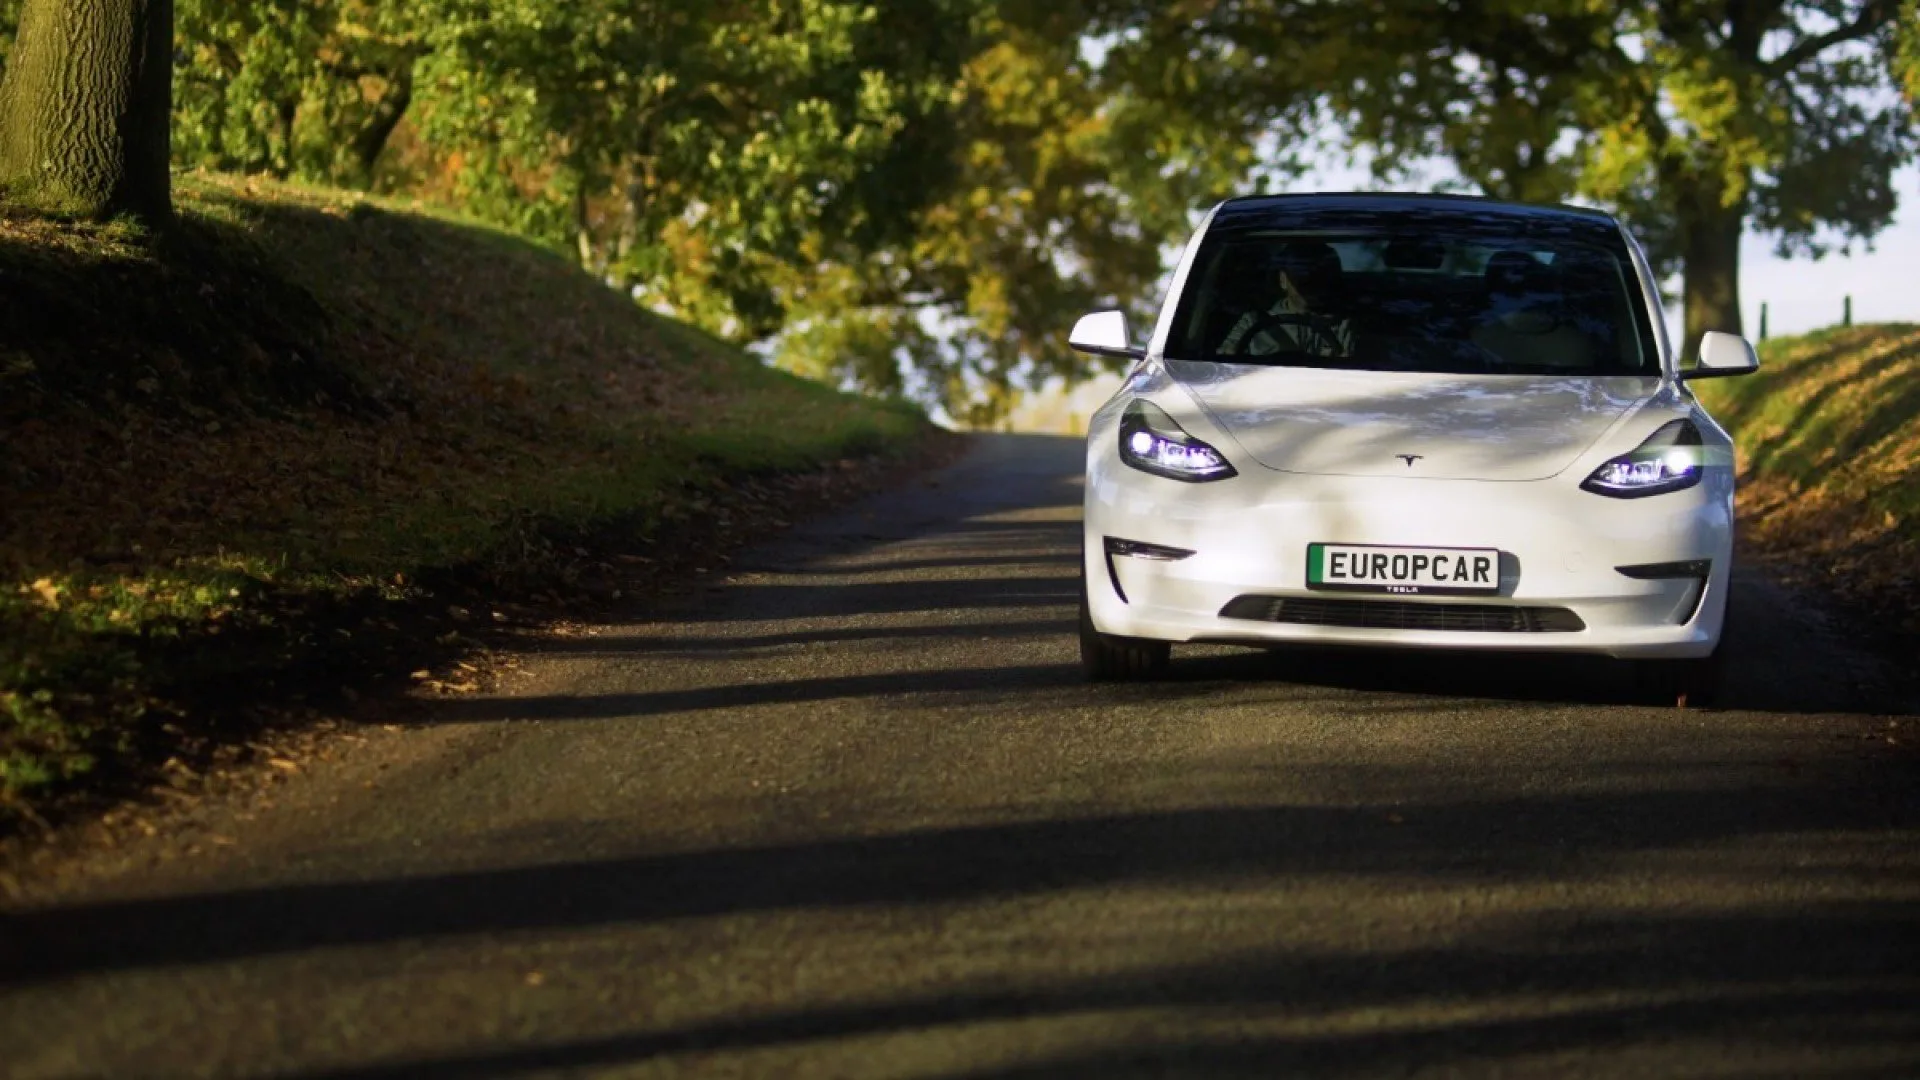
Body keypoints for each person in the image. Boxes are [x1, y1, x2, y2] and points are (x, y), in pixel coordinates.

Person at [1216, 241, 1355, 358]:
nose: (1310, 287)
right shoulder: (1252, 321)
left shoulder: (1341, 326)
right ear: (1283, 280)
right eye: (1302, 280)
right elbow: (1224, 363)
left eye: (1318, 278)